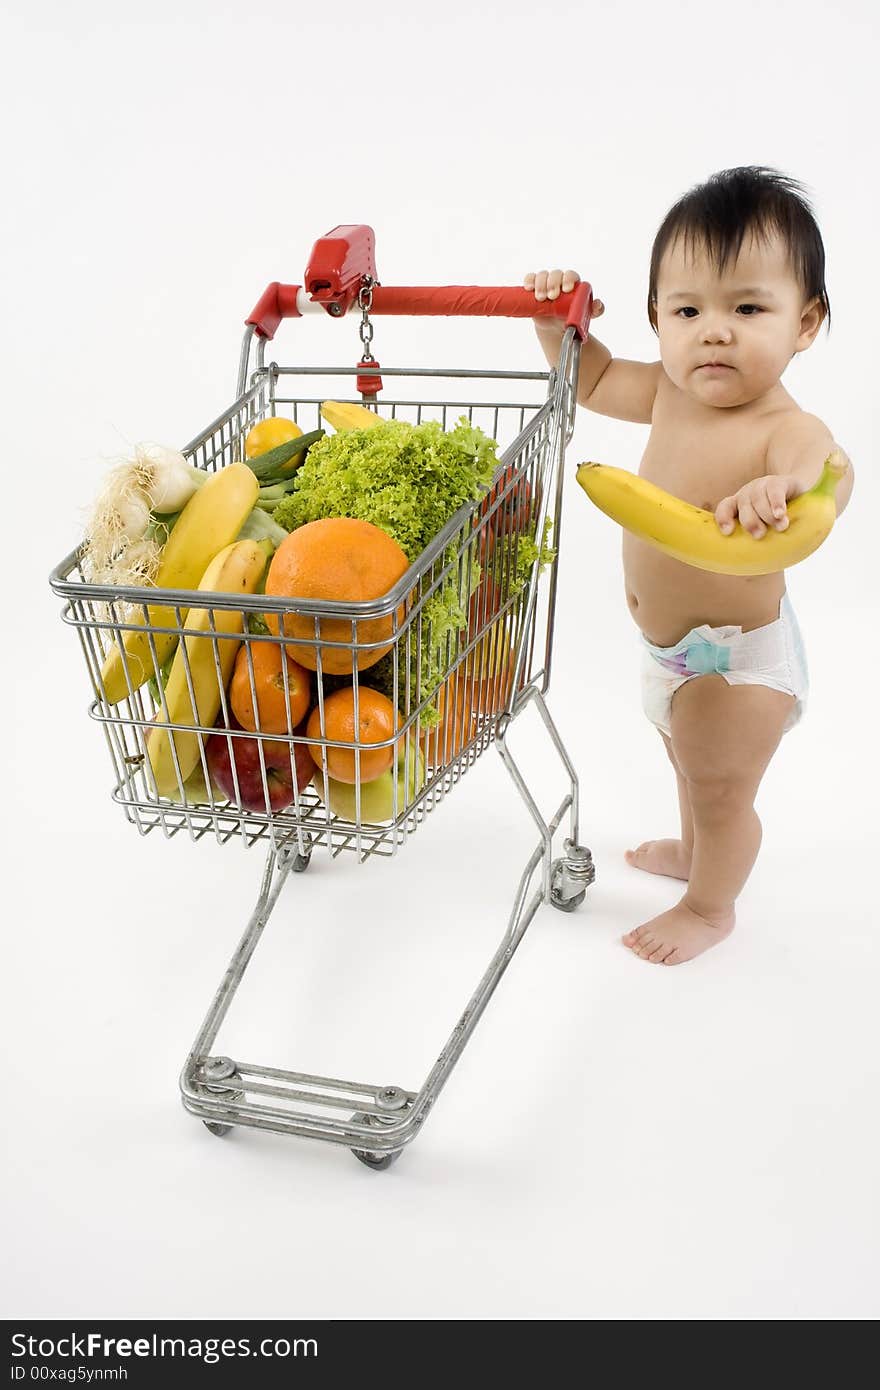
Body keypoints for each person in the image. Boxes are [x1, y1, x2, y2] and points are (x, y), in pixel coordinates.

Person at [526, 166, 854, 966]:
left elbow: (830, 470)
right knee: (685, 757)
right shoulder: (671, 390)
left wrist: (788, 486)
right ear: (657, 320)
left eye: (748, 308)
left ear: (804, 323)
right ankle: (692, 843)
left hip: (742, 661)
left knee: (721, 783)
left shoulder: (784, 424)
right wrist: (553, 323)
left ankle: (710, 907)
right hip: (671, 653)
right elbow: (595, 377)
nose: (714, 330)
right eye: (688, 310)